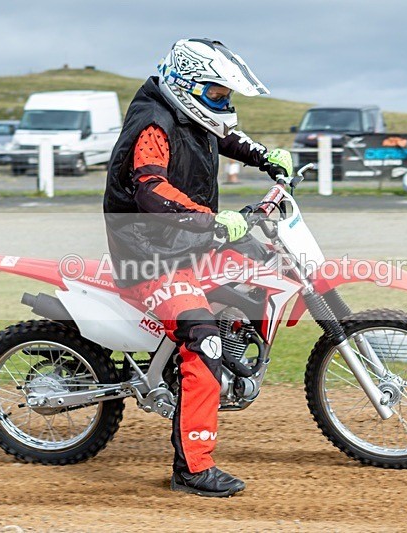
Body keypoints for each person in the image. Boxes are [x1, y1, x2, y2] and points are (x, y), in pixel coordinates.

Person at [103, 38, 292, 497]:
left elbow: (220, 134)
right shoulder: (153, 124)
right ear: (187, 85)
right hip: (150, 254)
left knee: (254, 269)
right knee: (203, 337)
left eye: (226, 96)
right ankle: (192, 469)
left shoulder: (188, 110)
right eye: (217, 94)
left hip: (184, 242)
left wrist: (265, 155)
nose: (223, 104)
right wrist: (210, 220)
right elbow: (150, 188)